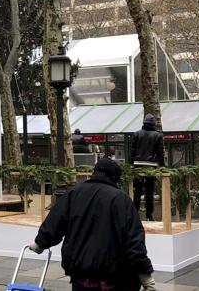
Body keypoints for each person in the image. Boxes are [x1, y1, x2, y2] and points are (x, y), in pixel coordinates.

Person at [28, 158, 156, 290]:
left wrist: (40, 244)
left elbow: (54, 223)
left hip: (81, 276)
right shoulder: (121, 199)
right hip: (113, 278)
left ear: (94, 173)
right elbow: (134, 241)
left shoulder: (73, 194)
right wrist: (145, 276)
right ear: (115, 178)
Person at [131, 113, 164, 220]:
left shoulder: (136, 134)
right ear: (153, 124)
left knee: (137, 191)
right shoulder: (158, 135)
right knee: (149, 191)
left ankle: (134, 214)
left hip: (138, 165)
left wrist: (132, 163)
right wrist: (162, 166)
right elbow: (160, 152)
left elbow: (132, 151)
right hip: (151, 166)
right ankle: (149, 215)